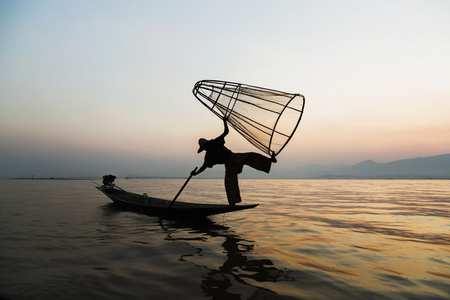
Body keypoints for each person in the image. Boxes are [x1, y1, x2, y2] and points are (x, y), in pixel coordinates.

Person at [191, 117, 277, 205]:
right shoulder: (209, 156)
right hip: (229, 165)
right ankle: (233, 203)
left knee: (250, 156)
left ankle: (270, 161)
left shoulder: (215, 142)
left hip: (234, 157)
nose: (206, 148)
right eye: (205, 147)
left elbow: (225, 132)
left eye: (206, 146)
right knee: (229, 182)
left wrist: (225, 122)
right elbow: (204, 167)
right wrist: (196, 173)